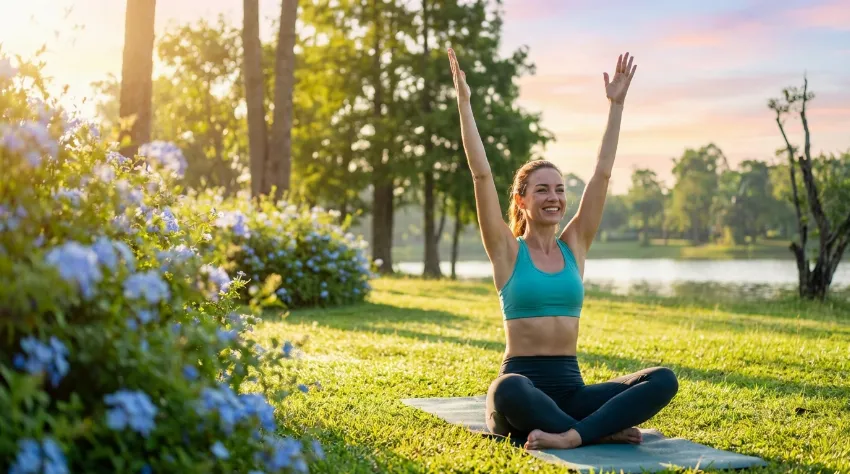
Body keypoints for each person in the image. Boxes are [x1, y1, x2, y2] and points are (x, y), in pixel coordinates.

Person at [447, 48, 679, 451]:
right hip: (522, 390)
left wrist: (616, 106)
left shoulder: (575, 245)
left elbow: (602, 174)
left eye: (559, 189)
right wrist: (465, 104)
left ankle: (572, 435)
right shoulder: (506, 251)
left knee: (663, 379)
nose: (553, 197)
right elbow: (481, 173)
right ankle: (597, 431)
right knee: (508, 390)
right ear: (521, 201)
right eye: (542, 190)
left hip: (572, 389)